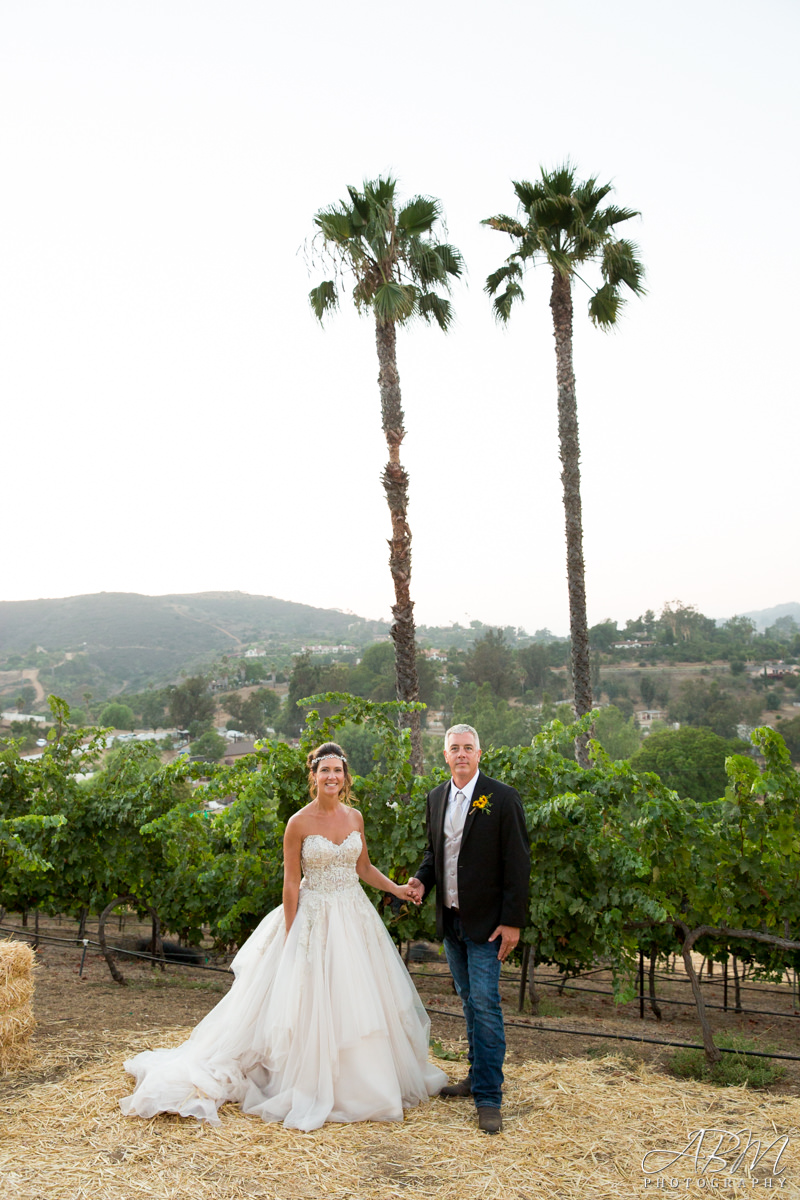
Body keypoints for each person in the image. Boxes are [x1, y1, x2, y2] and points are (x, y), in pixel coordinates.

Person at [120, 742, 447, 1131]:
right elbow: (291, 883)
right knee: (311, 1001)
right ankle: (308, 1080)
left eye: (337, 771)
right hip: (313, 917)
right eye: (324, 770)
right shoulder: (298, 823)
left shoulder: (355, 817)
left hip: (353, 915)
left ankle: (366, 1083)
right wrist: (293, 936)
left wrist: (396, 889)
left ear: (346, 777)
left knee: (357, 998)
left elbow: (363, 867)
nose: (331, 777)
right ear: (314, 776)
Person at [408, 724, 530, 1135]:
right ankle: (477, 1078)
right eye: (454, 748)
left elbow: (518, 863)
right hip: (452, 920)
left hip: (489, 925)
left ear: (480, 753)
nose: (461, 754)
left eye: (468, 748)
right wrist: (422, 881)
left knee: (486, 1003)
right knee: (468, 1002)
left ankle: (489, 1097)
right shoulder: (436, 798)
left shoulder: (503, 797)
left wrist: (512, 921)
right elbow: (435, 854)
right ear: (445, 755)